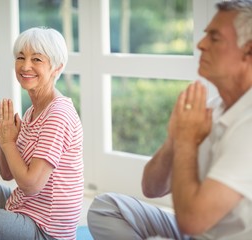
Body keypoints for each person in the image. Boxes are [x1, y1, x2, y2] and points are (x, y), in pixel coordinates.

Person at [87, 1, 252, 239]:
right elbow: (151, 188)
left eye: (214, 38)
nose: (200, 44)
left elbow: (192, 221)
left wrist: (186, 140)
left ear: (248, 51)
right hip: (195, 231)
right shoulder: (215, 106)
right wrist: (176, 138)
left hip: (200, 229)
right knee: (106, 207)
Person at [0, 27, 84, 240]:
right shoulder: (32, 111)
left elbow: (30, 185)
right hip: (22, 207)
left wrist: (9, 143)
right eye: (21, 57)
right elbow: (7, 174)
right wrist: (3, 140)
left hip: (44, 230)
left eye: (37, 59)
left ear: (57, 68)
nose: (25, 66)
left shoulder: (58, 114)